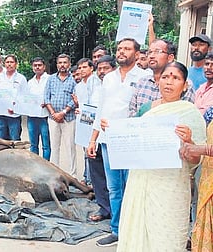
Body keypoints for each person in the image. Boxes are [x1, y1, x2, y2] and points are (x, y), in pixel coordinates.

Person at [117, 61, 206, 251]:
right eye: (165, 77)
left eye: (176, 78)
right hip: (141, 180)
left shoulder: (191, 114)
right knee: (137, 229)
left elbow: (196, 160)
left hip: (172, 186)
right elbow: (134, 143)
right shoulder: (146, 110)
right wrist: (115, 133)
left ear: (185, 85)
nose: (169, 82)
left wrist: (189, 141)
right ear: (158, 81)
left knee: (168, 235)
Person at [87, 38, 148, 247]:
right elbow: (101, 110)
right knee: (114, 188)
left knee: (132, 186)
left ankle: (132, 230)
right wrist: (93, 139)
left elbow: (145, 111)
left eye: (127, 48)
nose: (122, 52)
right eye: (120, 48)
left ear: (137, 54)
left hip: (131, 141)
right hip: (107, 140)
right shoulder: (109, 78)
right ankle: (116, 230)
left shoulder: (144, 77)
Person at [129, 39, 195, 116]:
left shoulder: (184, 85)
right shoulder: (142, 82)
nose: (152, 56)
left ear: (170, 58)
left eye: (157, 51)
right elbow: (133, 114)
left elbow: (186, 114)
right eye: (150, 52)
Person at [181, 106, 213, 252]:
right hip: (209, 181)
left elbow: (204, 148)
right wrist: (190, 144)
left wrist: (202, 149)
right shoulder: (212, 111)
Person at [86, 55, 116, 222]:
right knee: (97, 174)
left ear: (114, 68)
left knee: (114, 181)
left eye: (106, 68)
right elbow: (97, 114)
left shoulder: (119, 84)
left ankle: (116, 212)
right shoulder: (96, 85)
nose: (102, 71)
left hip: (115, 138)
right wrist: (92, 140)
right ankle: (104, 208)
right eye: (100, 68)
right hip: (97, 135)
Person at [44, 54, 77, 178]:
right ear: (57, 65)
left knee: (70, 147)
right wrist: (53, 113)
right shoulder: (51, 79)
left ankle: (72, 175)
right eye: (60, 63)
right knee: (54, 145)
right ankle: (54, 173)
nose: (62, 65)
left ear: (69, 64)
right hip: (53, 118)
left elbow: (75, 98)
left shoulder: (73, 79)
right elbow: (46, 97)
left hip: (68, 118)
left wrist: (63, 112)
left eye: (65, 62)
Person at [73, 58, 102, 186]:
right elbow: (80, 103)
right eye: (80, 68)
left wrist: (83, 109)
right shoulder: (78, 86)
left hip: (93, 120)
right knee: (85, 150)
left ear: (91, 68)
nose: (82, 70)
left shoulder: (96, 82)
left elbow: (94, 104)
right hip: (82, 120)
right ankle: (86, 176)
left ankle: (92, 180)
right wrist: (78, 108)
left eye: (84, 67)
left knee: (93, 150)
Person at [0, 54, 25, 140]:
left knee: (15, 140)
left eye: (11, 62)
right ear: (4, 64)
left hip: (14, 115)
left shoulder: (21, 78)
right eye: (7, 62)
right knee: (0, 141)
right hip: (0, 114)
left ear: (16, 64)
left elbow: (24, 96)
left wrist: (16, 107)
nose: (9, 64)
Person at [24, 57, 51, 160]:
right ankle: (35, 165)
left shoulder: (50, 79)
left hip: (45, 116)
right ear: (32, 67)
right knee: (33, 144)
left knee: (46, 145)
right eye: (35, 65)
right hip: (32, 116)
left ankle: (46, 166)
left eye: (39, 65)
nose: (37, 67)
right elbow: (26, 98)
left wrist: (47, 102)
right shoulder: (30, 82)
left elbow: (53, 95)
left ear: (44, 67)